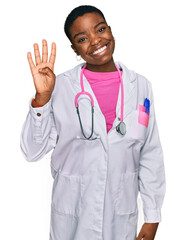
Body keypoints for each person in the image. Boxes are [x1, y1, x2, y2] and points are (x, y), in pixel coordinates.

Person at [20, 5, 166, 240]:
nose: (96, 41)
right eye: (82, 38)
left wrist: (152, 217)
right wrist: (42, 98)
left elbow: (150, 153)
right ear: (75, 48)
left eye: (100, 29)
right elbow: (32, 151)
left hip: (120, 217)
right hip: (72, 218)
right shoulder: (62, 86)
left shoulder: (141, 86)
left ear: (110, 30)